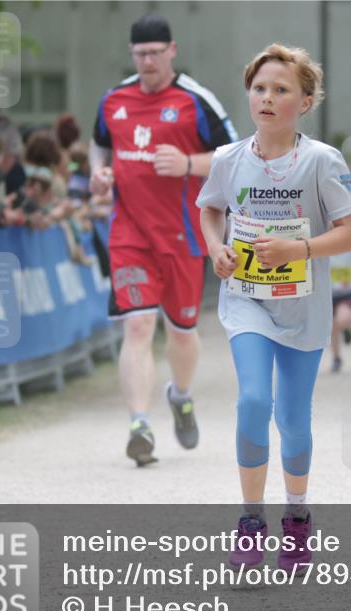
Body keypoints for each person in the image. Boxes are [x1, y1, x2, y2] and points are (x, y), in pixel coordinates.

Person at [196, 43, 351, 571]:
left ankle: (297, 515)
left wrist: (300, 249)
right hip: (247, 302)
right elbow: (209, 211)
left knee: (293, 423)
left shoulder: (320, 161)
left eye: (281, 90)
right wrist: (217, 249)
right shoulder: (228, 159)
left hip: (304, 308)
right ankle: (250, 522)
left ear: (305, 102)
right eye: (259, 88)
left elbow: (350, 234)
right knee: (251, 403)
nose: (266, 98)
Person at [89, 14, 238, 467]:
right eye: (140, 54)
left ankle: (180, 394)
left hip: (184, 236)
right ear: (132, 55)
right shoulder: (114, 100)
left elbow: (234, 157)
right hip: (129, 233)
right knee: (137, 325)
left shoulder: (196, 100)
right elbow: (99, 143)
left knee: (182, 331)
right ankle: (139, 424)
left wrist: (189, 164)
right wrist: (98, 173)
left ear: (172, 50)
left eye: (155, 53)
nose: (148, 61)